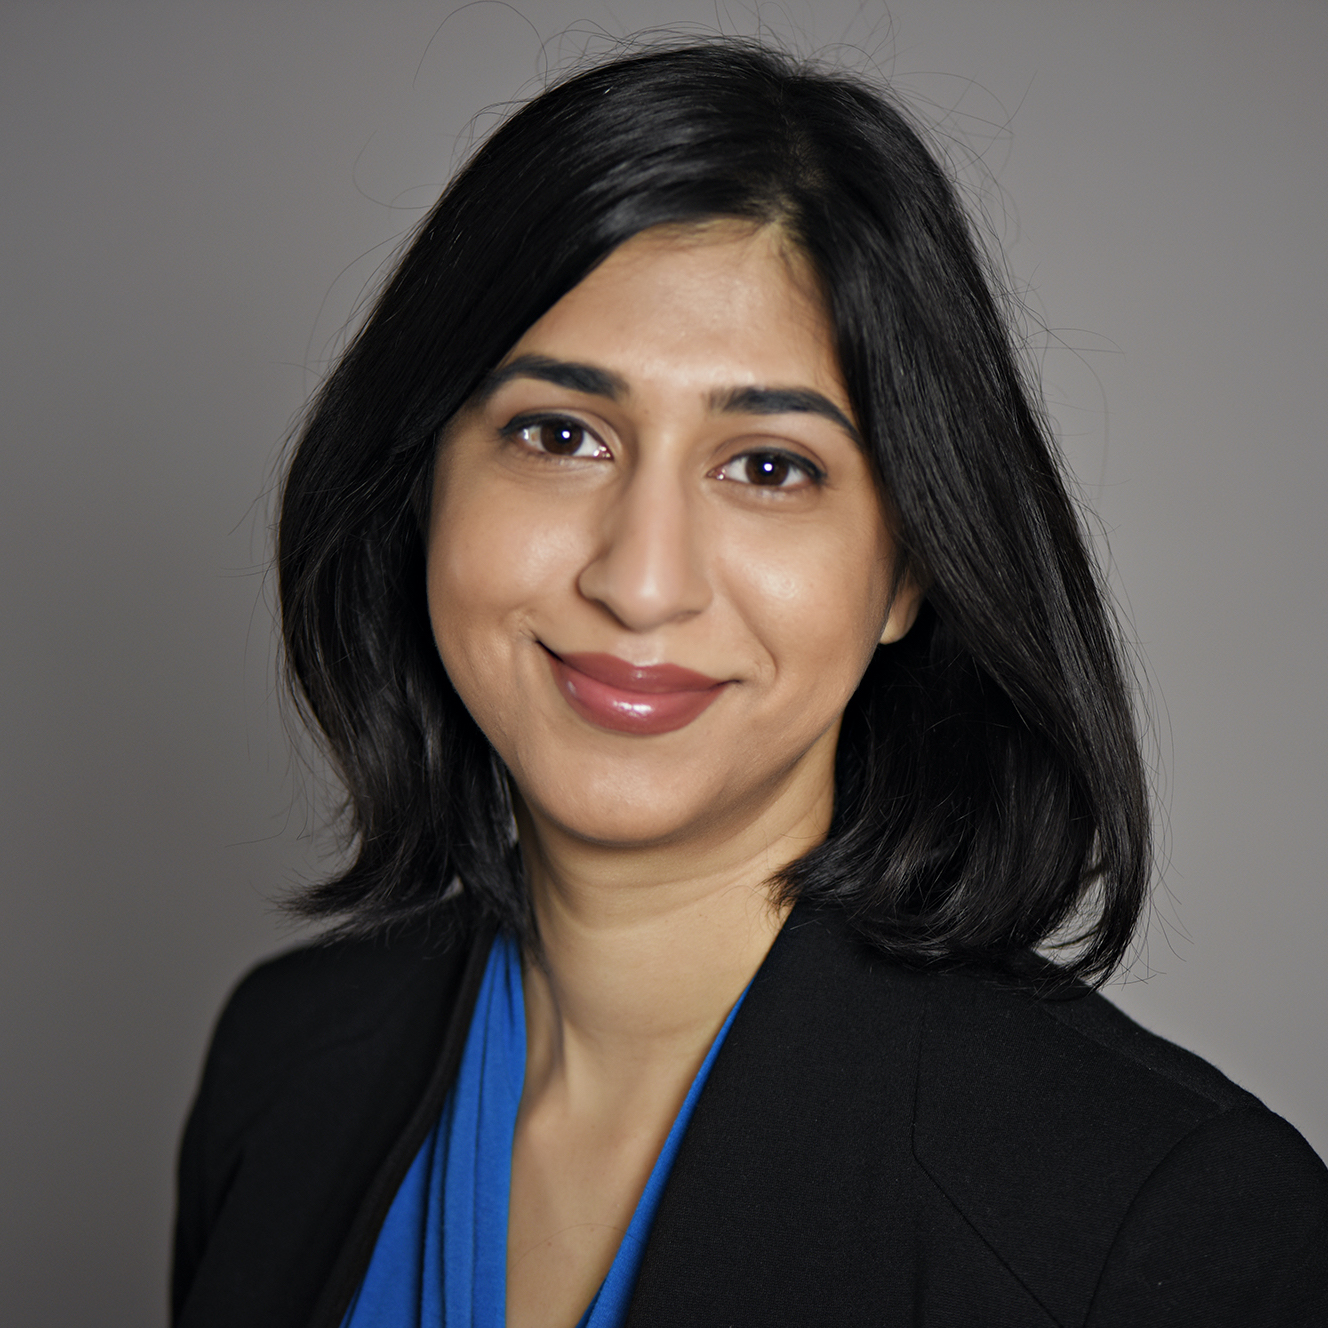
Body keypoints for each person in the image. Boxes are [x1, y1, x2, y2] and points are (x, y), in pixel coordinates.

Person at [171, 39, 1328, 1328]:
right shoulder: (281, 1068)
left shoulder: (1175, 1229)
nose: (643, 580)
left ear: (907, 572)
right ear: (420, 492)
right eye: (560, 435)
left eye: (769, 466)